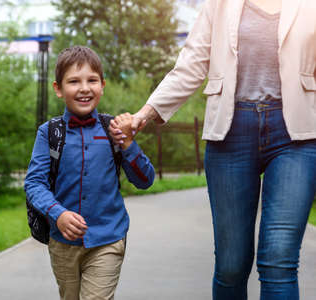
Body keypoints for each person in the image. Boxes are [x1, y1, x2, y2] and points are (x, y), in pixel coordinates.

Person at [110, 0, 316, 299]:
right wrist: (144, 114)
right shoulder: (220, 4)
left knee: (279, 261)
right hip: (231, 133)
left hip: (295, 135)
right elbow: (191, 65)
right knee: (231, 265)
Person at [24, 46, 155, 300]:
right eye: (74, 81)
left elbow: (145, 180)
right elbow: (34, 184)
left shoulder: (114, 130)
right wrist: (57, 214)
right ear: (58, 89)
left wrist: (128, 144)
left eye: (92, 80)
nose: (84, 88)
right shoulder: (49, 133)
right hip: (62, 242)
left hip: (108, 237)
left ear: (102, 85)